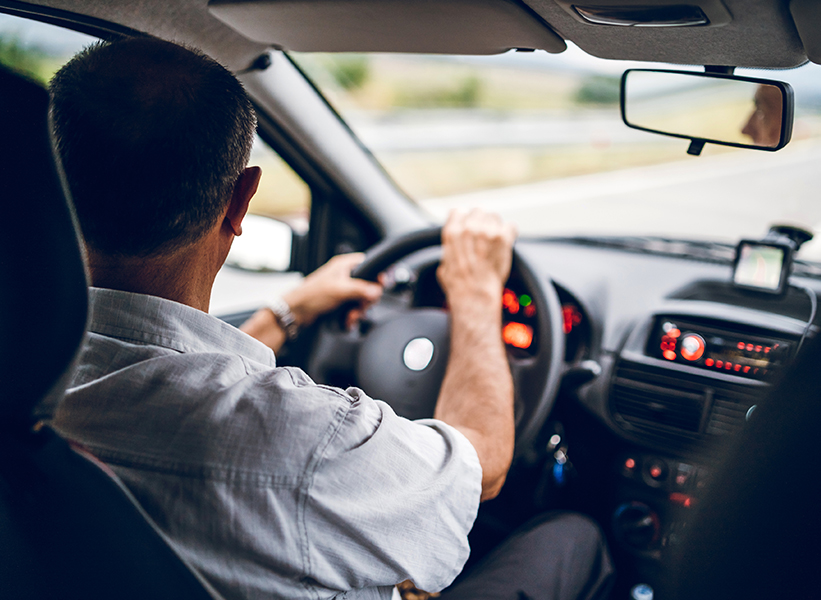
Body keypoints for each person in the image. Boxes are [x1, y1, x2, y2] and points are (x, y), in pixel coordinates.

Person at [48, 37, 613, 600]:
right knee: (574, 538)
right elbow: (483, 467)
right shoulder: (305, 441)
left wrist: (290, 310)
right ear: (242, 199)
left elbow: (157, 376)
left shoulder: (29, 373)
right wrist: (476, 295)